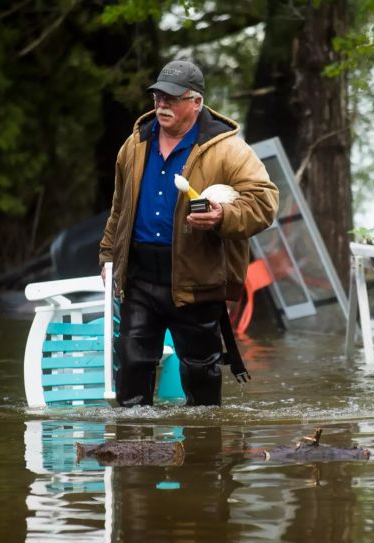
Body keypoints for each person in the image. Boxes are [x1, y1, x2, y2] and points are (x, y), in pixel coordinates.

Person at [99, 59, 278, 407]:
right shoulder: (134, 145)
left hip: (197, 277)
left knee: (200, 372)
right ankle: (132, 452)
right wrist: (107, 256)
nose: (161, 104)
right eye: (157, 96)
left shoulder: (228, 149)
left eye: (171, 98)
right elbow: (119, 210)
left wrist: (223, 215)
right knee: (133, 364)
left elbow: (265, 201)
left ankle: (204, 454)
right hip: (140, 275)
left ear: (195, 102)